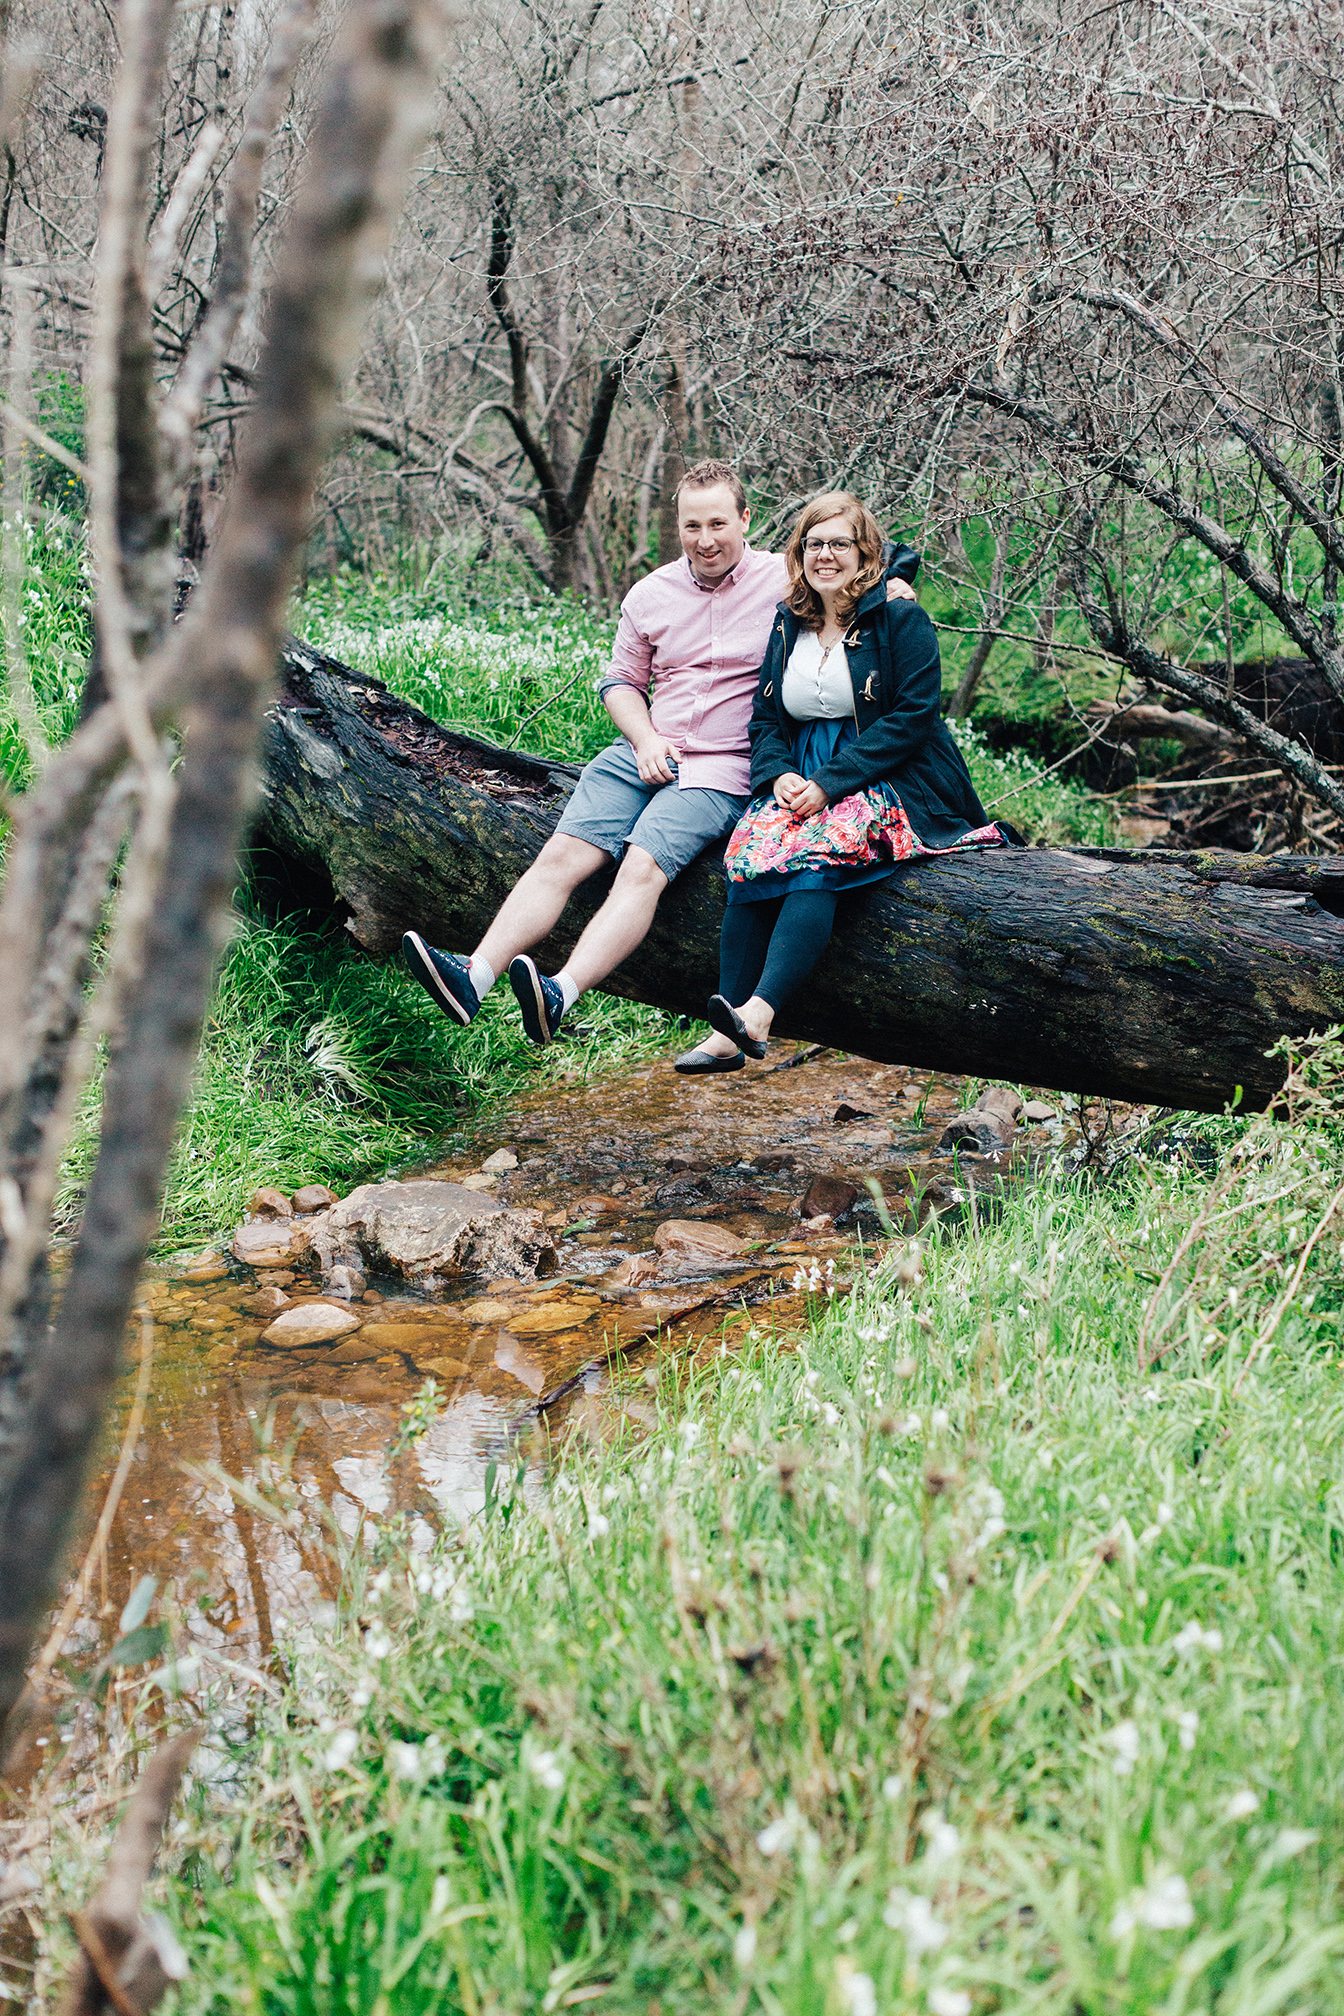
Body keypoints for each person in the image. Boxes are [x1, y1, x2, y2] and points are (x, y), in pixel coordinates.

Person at [402, 461, 916, 1045]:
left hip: (722, 767)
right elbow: (620, 683)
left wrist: (892, 585)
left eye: (719, 523)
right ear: (678, 527)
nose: (706, 539)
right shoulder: (650, 594)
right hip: (643, 753)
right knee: (562, 855)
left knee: (641, 866)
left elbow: (862, 558)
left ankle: (560, 992)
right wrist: (644, 738)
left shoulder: (784, 577)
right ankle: (475, 974)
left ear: (745, 520)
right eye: (692, 526)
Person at [679, 490, 1007, 1074]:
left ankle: (760, 1012)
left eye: (838, 544)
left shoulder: (898, 618)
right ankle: (726, 1024)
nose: (824, 555)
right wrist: (777, 773)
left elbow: (914, 717)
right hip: (801, 771)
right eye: (813, 544)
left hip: (888, 774)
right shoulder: (789, 622)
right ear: (798, 553)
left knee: (816, 855)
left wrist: (831, 784)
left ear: (864, 554)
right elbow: (766, 717)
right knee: (750, 852)